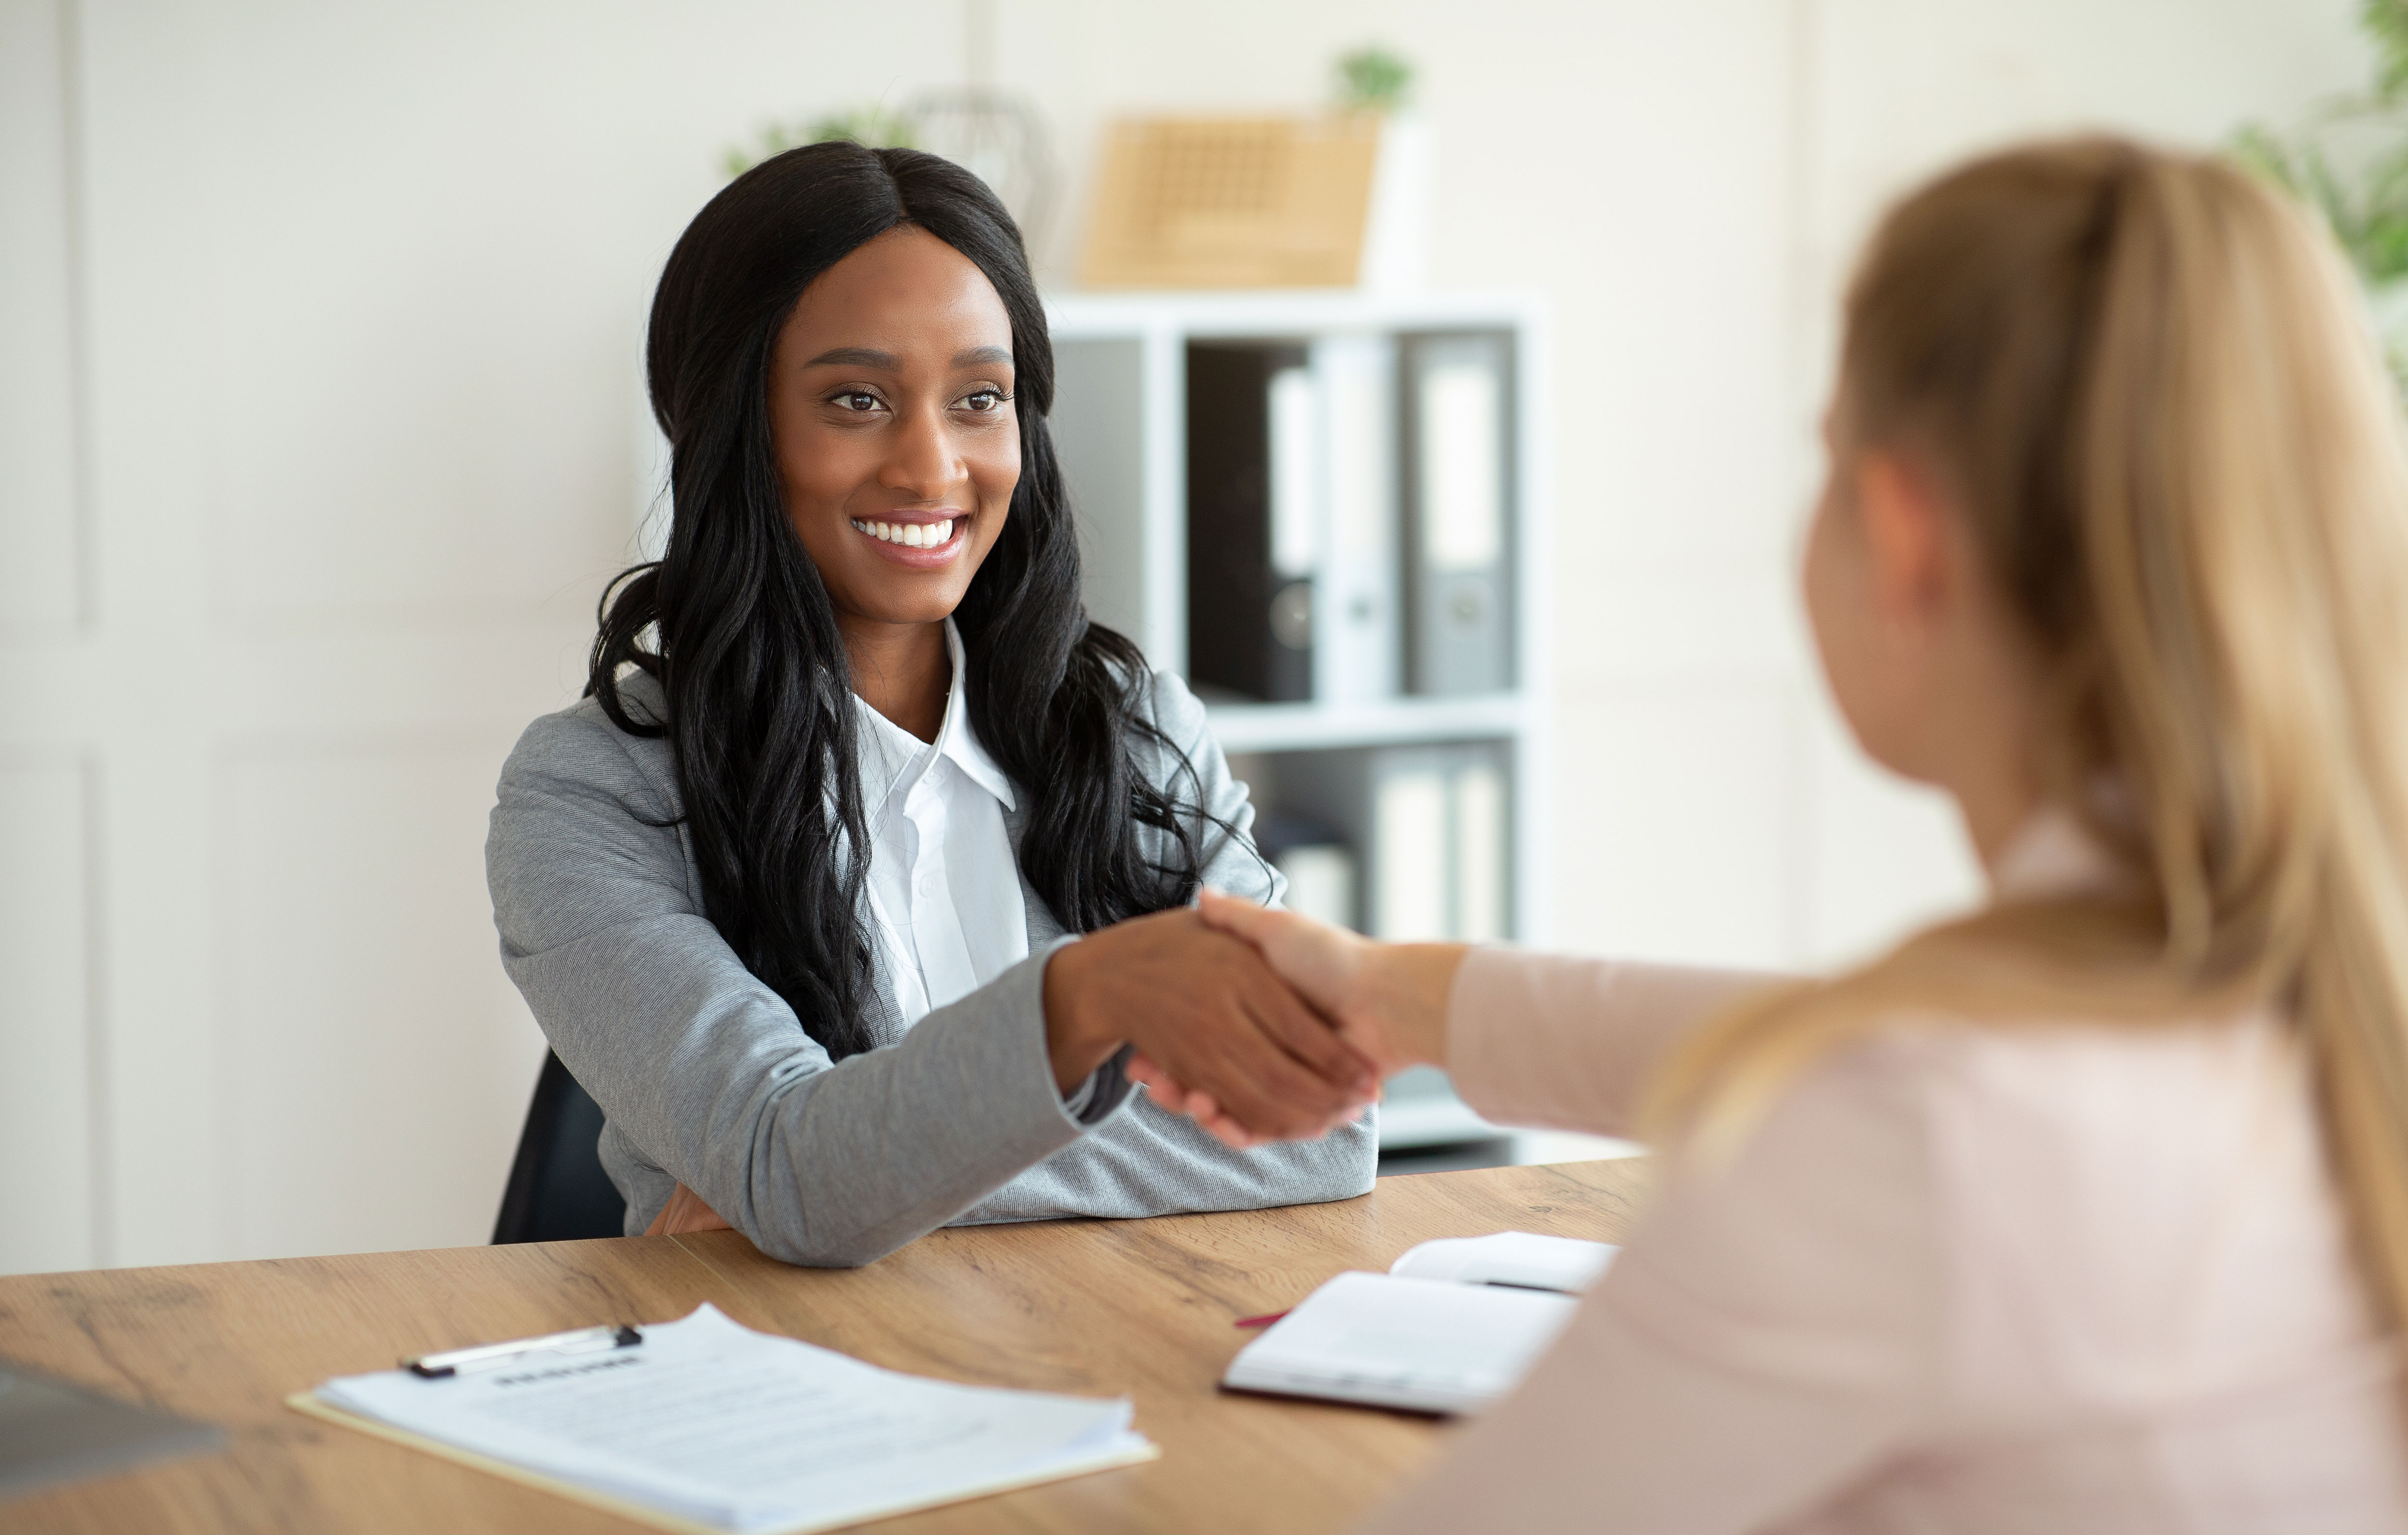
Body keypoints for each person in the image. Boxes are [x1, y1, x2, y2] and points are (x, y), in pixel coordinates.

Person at [1149, 135, 2408, 1528]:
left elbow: (1895, 1091)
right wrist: (1405, 998)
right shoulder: (2315, 1001)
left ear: (1902, 530)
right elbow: (1871, 1039)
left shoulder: (1910, 1138)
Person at [485, 142, 1375, 1267]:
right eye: (856, 399)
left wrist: (842, 1169)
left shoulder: (1135, 731)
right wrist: (1080, 1013)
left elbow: (1325, 1128)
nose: (931, 466)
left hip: (1112, 1350)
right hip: (778, 1388)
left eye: (979, 399)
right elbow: (792, 1168)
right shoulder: (591, 794)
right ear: (731, 427)